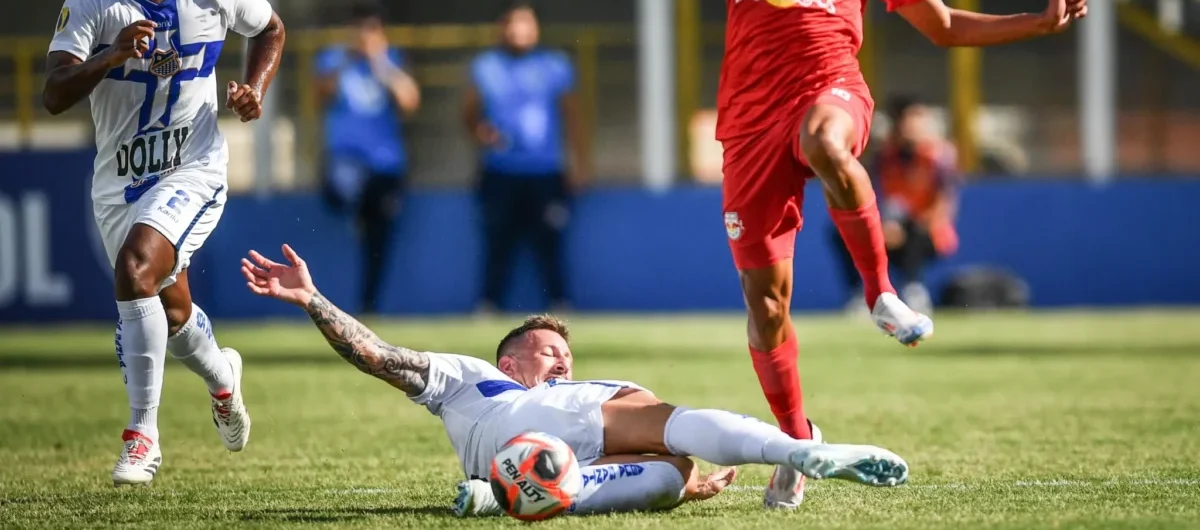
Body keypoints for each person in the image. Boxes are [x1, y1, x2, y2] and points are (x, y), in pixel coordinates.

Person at [651, 0, 1088, 508]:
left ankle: (882, 292)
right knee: (767, 308)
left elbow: (941, 25)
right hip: (749, 125)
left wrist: (1039, 21)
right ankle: (798, 443)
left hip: (831, 92)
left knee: (827, 142)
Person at [240, 244, 910, 517]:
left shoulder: (512, 400)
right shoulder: (471, 377)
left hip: (554, 461)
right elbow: (377, 354)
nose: (561, 360)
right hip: (546, 433)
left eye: (567, 353)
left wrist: (687, 480)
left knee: (673, 471)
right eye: (547, 349)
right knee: (651, 410)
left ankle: (505, 494)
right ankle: (798, 451)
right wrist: (313, 300)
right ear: (509, 361)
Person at [42, 0, 285, 486]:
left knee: (134, 270)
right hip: (119, 183)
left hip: (193, 167)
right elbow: (53, 94)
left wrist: (255, 90)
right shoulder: (92, 2)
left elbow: (271, 29)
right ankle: (224, 381)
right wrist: (110, 56)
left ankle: (141, 436)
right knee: (172, 314)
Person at [462, 0, 589, 313]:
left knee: (550, 240)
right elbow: (469, 114)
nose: (518, 30)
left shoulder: (555, 65)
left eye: (525, 23)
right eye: (512, 23)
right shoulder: (486, 67)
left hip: (545, 171)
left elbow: (573, 115)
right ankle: (489, 305)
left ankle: (560, 303)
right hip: (500, 170)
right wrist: (482, 133)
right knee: (497, 241)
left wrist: (580, 162)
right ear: (501, 28)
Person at [316, 1, 420, 315]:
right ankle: (356, 213)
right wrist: (348, 61)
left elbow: (409, 102)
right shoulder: (333, 60)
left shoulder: (393, 60)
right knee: (340, 189)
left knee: (379, 239)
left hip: (385, 164)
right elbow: (320, 95)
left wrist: (380, 62)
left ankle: (368, 305)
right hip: (347, 160)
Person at [831, 96, 960, 316]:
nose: (910, 127)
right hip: (887, 226)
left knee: (917, 231)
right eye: (904, 121)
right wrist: (884, 223)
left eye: (916, 120)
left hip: (925, 232)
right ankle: (862, 292)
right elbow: (870, 194)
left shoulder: (938, 157)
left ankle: (913, 289)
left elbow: (944, 205)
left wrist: (908, 223)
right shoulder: (884, 157)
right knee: (842, 232)